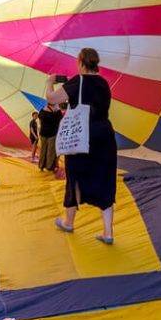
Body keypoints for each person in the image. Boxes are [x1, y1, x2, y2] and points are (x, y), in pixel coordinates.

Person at [46, 48, 116, 244]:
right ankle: (108, 232)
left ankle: (69, 221)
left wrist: (49, 83)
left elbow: (52, 99)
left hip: (82, 135)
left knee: (75, 175)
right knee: (106, 179)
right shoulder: (103, 83)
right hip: (105, 135)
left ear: (81, 62)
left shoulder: (79, 80)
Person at [36, 102, 63, 172]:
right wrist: (57, 110)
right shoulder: (56, 113)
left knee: (43, 150)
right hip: (52, 134)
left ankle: (41, 166)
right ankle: (50, 167)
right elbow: (59, 118)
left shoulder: (42, 111)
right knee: (51, 151)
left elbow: (39, 116)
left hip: (43, 133)